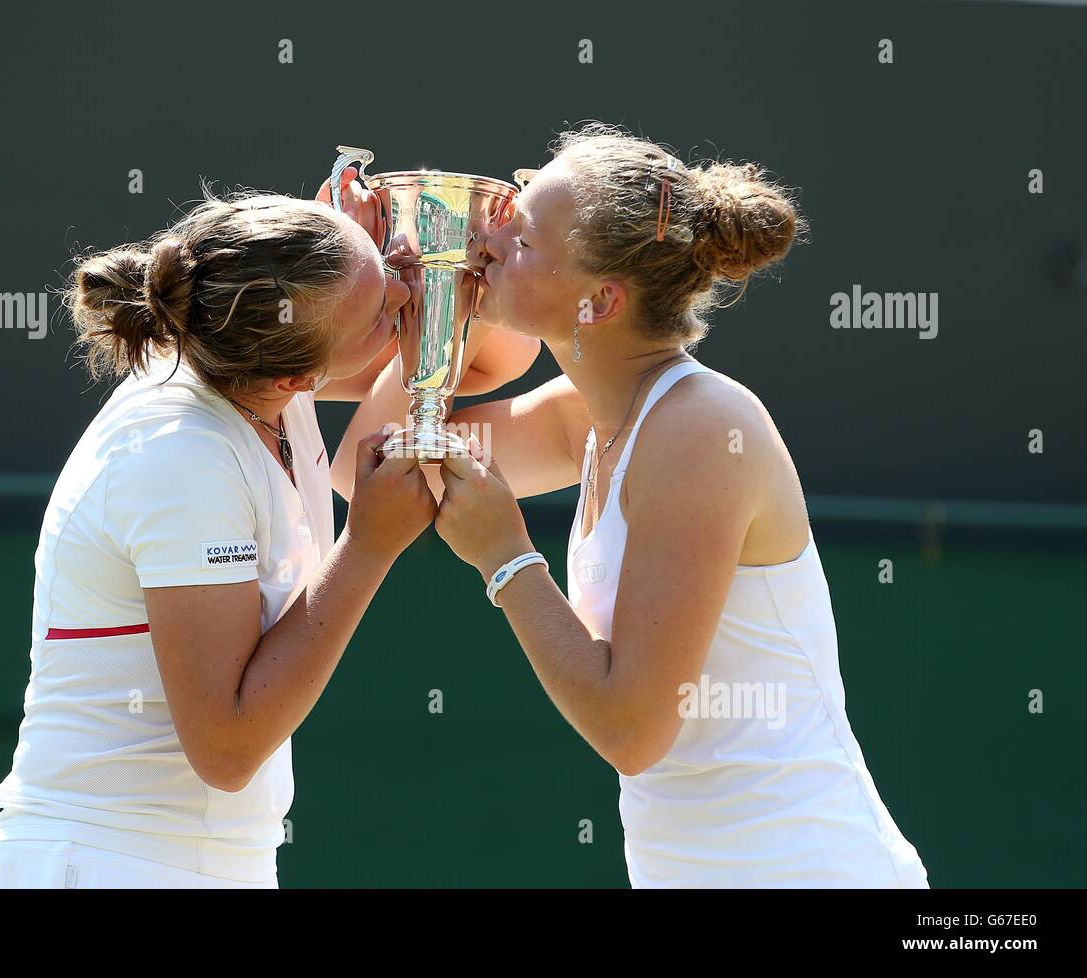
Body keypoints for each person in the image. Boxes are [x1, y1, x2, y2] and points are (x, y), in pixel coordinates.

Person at [340, 124, 929, 888]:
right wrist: (446, 292)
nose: (490, 237)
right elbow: (380, 462)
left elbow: (632, 728)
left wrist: (507, 558)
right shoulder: (591, 415)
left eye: (519, 236)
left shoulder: (702, 429)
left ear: (600, 301)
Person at [0, 171, 539, 889]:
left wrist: (455, 274)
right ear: (294, 380)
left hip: (199, 862)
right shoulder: (182, 454)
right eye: (377, 315)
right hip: (109, 866)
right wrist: (366, 548)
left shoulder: (243, 358)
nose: (400, 299)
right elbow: (229, 747)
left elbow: (490, 358)